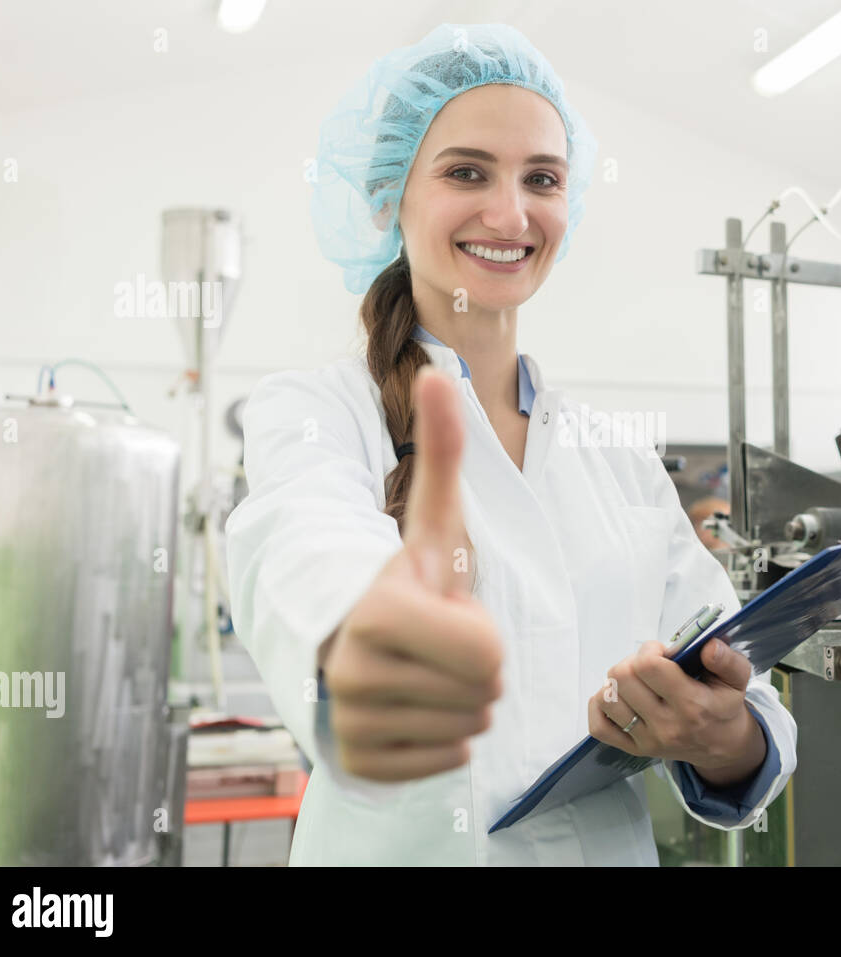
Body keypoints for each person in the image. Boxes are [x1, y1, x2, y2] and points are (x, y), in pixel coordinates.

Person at [225, 22, 796, 866]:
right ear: (390, 198)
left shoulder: (621, 461)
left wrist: (724, 734)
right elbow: (309, 561)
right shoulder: (316, 414)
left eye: (543, 179)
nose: (511, 213)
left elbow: (744, 682)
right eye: (466, 172)